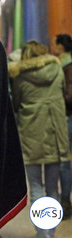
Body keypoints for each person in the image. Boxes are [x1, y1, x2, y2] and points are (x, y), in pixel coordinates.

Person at [9, 40, 70, 238]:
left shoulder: (20, 76)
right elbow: (62, 96)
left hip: (31, 135)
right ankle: (50, 234)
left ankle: (41, 233)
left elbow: (17, 104)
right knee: (53, 188)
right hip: (55, 134)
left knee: (36, 187)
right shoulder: (57, 70)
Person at [50, 33, 72, 220]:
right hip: (66, 116)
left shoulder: (66, 66)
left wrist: (55, 100)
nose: (52, 47)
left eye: (54, 44)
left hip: (66, 117)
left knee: (63, 161)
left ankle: (65, 201)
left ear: (61, 47)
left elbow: (69, 94)